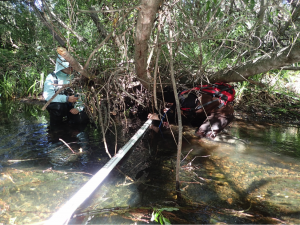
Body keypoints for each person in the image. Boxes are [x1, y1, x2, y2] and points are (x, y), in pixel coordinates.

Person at [148, 83, 235, 139]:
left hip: (223, 114)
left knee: (203, 135)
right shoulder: (184, 94)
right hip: (210, 110)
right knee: (193, 124)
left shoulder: (184, 101)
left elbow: (174, 116)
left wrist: (156, 117)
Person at [43, 55, 89, 126]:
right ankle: (55, 131)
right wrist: (67, 99)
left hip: (72, 106)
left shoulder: (75, 76)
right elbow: (48, 96)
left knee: (82, 118)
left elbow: (82, 93)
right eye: (68, 66)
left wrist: (78, 108)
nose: (71, 68)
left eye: (72, 66)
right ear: (61, 65)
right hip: (58, 107)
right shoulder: (52, 77)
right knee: (58, 108)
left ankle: (72, 132)